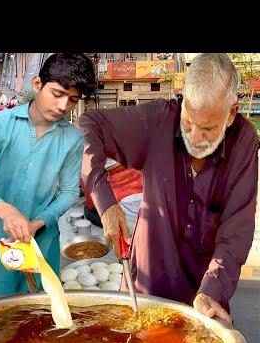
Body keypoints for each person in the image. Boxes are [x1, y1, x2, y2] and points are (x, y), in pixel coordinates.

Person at [78, 53, 258, 324]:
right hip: (144, 294)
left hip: (202, 301)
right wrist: (105, 202)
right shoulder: (158, 120)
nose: (195, 138)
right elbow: (88, 125)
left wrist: (213, 291)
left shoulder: (244, 143)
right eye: (188, 123)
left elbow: (235, 233)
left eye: (208, 129)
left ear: (231, 113)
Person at [0, 52, 96, 300]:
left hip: (41, 244)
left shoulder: (72, 139)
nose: (63, 106)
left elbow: (68, 193)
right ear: (37, 85)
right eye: (57, 94)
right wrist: (7, 212)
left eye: (73, 100)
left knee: (39, 320)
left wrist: (40, 221)